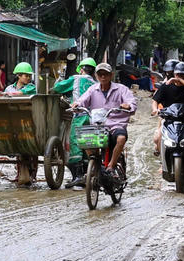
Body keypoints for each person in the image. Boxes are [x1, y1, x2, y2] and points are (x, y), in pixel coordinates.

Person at [76, 62, 136, 177]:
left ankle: (111, 166)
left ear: (111, 75)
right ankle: (95, 164)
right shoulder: (92, 89)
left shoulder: (121, 89)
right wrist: (76, 104)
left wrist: (128, 105)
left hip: (116, 125)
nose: (103, 77)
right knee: (84, 139)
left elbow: (131, 102)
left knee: (121, 138)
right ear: (96, 76)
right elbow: (82, 100)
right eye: (100, 74)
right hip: (98, 126)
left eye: (106, 74)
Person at [53, 57, 98, 188]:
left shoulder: (76, 79)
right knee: (88, 145)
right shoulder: (96, 84)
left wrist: (60, 81)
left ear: (82, 69)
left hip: (80, 115)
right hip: (94, 118)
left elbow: (57, 88)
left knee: (75, 143)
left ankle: (77, 177)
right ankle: (88, 175)